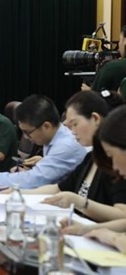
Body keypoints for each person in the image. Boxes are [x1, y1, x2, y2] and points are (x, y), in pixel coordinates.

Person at [24, 91, 126, 222]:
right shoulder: (91, 157)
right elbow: (58, 188)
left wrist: (80, 203)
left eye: (75, 124)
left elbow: (123, 216)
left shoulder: (118, 163)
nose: (72, 132)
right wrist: (16, 193)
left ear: (95, 119)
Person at [0, 94, 86, 187]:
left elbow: (36, 180)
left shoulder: (65, 146)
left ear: (46, 126)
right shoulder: (53, 138)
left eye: (27, 132)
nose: (26, 138)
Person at [62, 106, 126, 241]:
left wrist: (114, 239)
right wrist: (85, 230)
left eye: (111, 155)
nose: (114, 166)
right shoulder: (90, 158)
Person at [82, 25, 126, 92]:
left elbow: (97, 100)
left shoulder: (111, 68)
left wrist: (90, 93)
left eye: (120, 40)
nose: (119, 44)